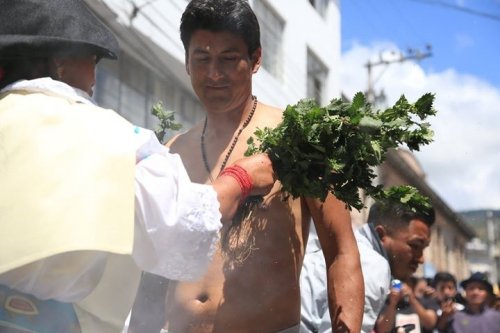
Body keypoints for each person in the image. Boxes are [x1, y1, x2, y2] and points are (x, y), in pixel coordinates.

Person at [0, 0, 276, 332]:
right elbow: (180, 223)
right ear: (61, 64)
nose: (94, 77)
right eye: (92, 61)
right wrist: (240, 178)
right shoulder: (113, 138)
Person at [158, 0, 364, 332]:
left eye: (228, 59)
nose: (213, 74)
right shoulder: (172, 152)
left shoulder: (298, 139)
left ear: (256, 60)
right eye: (202, 59)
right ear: (186, 62)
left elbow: (340, 249)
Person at [301, 198, 435, 333]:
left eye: (424, 248)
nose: (421, 259)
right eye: (415, 246)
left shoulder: (354, 249)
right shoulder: (372, 264)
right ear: (381, 235)